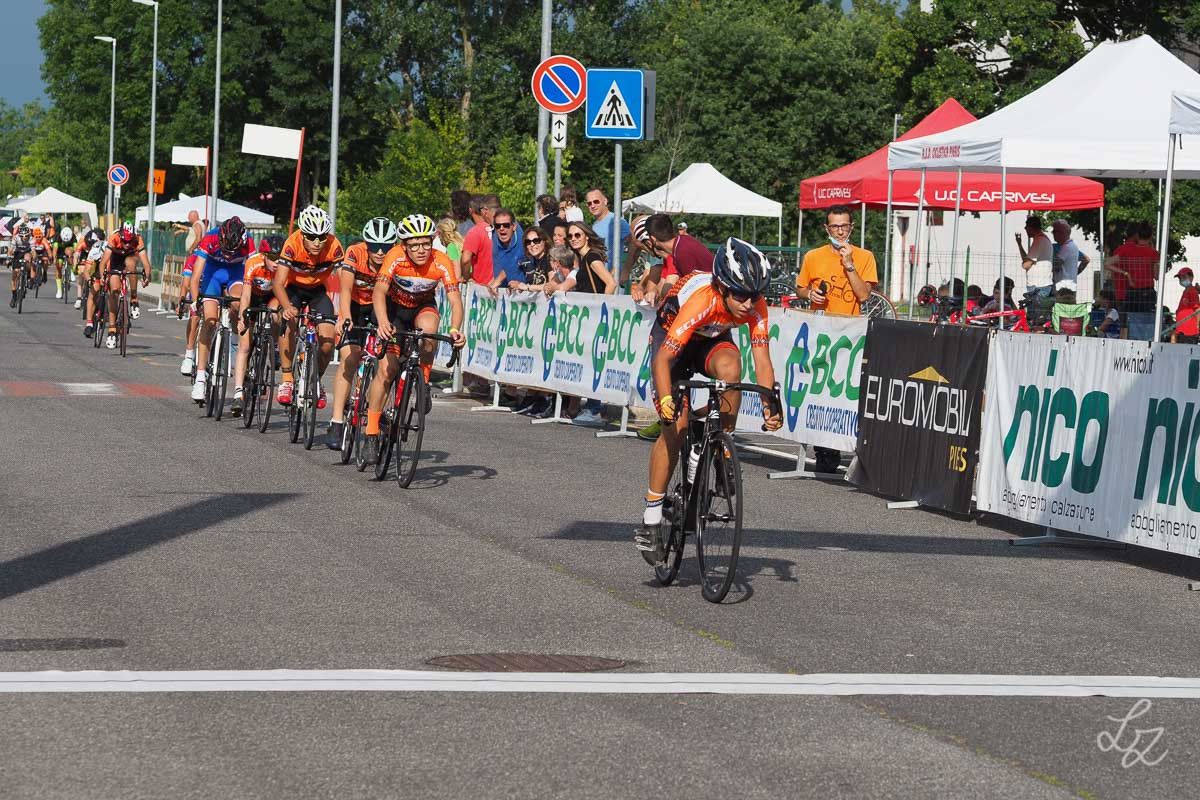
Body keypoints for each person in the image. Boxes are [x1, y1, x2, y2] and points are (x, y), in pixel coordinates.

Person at [634, 237, 782, 563]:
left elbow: (762, 360)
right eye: (740, 295)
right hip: (672, 343)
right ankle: (651, 518)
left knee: (731, 368)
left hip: (711, 340)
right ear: (722, 287)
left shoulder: (754, 304)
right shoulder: (703, 299)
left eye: (755, 295)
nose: (748, 303)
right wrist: (667, 400)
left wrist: (769, 405)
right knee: (676, 427)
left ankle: (720, 446)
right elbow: (662, 360)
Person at [361, 214, 465, 462]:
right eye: (414, 245)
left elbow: (454, 299)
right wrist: (383, 322)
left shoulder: (441, 261)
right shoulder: (395, 256)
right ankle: (371, 433)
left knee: (429, 331)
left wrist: (455, 329)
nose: (420, 250)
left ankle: (423, 382)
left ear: (432, 242)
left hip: (422, 307)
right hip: (394, 310)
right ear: (404, 245)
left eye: (425, 244)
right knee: (387, 371)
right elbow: (379, 291)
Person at [795, 205, 878, 474]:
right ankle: (825, 449)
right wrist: (809, 294)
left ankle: (851, 445)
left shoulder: (864, 257)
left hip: (850, 334)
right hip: (821, 332)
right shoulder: (813, 256)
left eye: (844, 226)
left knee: (846, 390)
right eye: (835, 227)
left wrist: (849, 264)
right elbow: (800, 287)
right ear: (826, 228)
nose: (840, 232)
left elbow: (864, 295)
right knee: (820, 390)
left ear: (851, 227)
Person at [324, 217, 397, 448]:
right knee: (350, 358)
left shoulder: (396, 257)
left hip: (380, 308)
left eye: (385, 247)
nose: (380, 252)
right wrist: (344, 317)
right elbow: (345, 289)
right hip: (355, 306)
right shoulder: (355, 253)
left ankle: (376, 409)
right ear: (366, 244)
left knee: (386, 364)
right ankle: (337, 421)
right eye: (374, 246)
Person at [271, 205, 345, 409]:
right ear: (303, 234)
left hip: (317, 291)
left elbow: (344, 281)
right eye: (312, 237)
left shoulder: (334, 245)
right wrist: (286, 307)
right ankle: (287, 379)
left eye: (322, 237)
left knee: (328, 342)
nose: (317, 242)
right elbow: (278, 282)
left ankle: (316, 381)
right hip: (293, 289)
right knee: (288, 323)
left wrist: (345, 312)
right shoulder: (292, 243)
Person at [188, 217, 254, 401]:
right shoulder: (210, 237)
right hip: (213, 275)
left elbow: (253, 271)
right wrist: (195, 300)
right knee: (210, 321)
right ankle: (200, 378)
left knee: (239, 304)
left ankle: (234, 341)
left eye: (233, 251)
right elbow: (196, 276)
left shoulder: (249, 242)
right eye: (225, 249)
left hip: (235, 275)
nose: (228, 254)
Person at [231, 234, 285, 415]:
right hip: (253, 297)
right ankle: (238, 393)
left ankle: (274, 346)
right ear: (264, 255)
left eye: (280, 258)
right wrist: (242, 318)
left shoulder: (284, 267)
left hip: (272, 297)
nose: (276, 263)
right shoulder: (253, 263)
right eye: (272, 258)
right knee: (245, 345)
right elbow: (245, 295)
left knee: (275, 314)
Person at [633, 213, 713, 305]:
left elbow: (692, 289)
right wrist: (654, 291)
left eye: (645, 246)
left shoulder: (681, 252)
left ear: (652, 240)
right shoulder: (680, 244)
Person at [98, 222, 152, 350]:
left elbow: (146, 264)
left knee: (131, 264)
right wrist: (102, 276)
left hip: (130, 257)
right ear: (120, 236)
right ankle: (112, 329)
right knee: (114, 290)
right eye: (125, 241)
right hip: (116, 259)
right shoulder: (114, 238)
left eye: (130, 241)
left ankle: (134, 298)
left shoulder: (138, 239)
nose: (127, 244)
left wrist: (147, 277)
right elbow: (103, 262)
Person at [178, 210, 208, 375]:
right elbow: (185, 284)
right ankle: (189, 354)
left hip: (208, 288)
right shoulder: (193, 259)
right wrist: (182, 301)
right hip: (195, 288)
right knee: (195, 316)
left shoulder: (212, 260)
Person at [1109, 221, 1159, 314]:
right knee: (1147, 319)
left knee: (1129, 319)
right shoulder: (1153, 253)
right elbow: (1156, 276)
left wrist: (1126, 273)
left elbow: (1107, 264)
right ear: (1150, 236)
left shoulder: (1127, 250)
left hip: (1132, 291)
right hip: (1147, 291)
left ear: (1137, 236)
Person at [584, 187, 632, 282]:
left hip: (615, 280)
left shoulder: (617, 221)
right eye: (589, 203)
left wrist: (625, 270)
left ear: (605, 201)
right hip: (598, 279)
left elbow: (633, 244)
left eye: (596, 201)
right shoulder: (594, 226)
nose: (593, 205)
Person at [460, 194, 497, 284]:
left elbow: (465, 260)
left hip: (482, 286)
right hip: (499, 284)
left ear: (470, 210)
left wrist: (466, 277)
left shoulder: (475, 232)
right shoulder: (498, 228)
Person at [76, 227, 106, 334]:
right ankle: (89, 323)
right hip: (96, 269)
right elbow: (87, 270)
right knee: (94, 290)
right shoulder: (93, 250)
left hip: (108, 270)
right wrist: (89, 279)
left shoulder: (108, 247)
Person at [487, 208, 525, 292]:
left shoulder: (521, 241)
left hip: (521, 292)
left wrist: (497, 281)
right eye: (498, 226)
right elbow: (496, 266)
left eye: (506, 225)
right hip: (501, 292)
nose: (501, 228)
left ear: (514, 226)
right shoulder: (494, 238)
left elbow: (513, 264)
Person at [1015, 215, 1054, 290]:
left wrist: (1024, 263)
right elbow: (1027, 260)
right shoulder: (1043, 239)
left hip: (1038, 286)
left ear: (1031, 228)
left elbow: (1026, 265)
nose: (1025, 228)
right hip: (1041, 285)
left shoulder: (1039, 241)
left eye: (1026, 226)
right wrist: (1020, 244)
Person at [1050, 219, 1090, 286]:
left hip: (1062, 285)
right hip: (1069, 283)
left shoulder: (1064, 247)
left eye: (1054, 231)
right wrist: (1074, 273)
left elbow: (1056, 266)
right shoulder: (1073, 246)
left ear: (1062, 232)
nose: (1052, 233)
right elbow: (1086, 259)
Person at [1173, 267, 1199, 344]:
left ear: (1191, 277)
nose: (1181, 280)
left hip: (1190, 331)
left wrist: (1198, 325)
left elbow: (1197, 309)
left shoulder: (1192, 291)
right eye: (1180, 278)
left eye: (1184, 277)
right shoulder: (1186, 291)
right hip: (1182, 330)